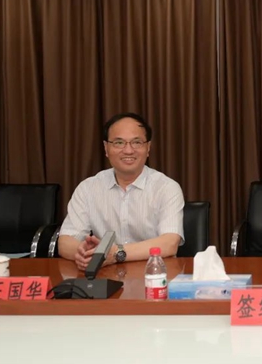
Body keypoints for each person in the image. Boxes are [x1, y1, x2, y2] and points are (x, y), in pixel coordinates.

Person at [58, 112, 185, 271]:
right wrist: (85, 254)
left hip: (153, 275)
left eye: (137, 142)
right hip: (104, 276)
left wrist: (116, 253)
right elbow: (65, 241)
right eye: (119, 143)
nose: (128, 150)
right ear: (106, 148)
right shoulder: (88, 188)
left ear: (148, 148)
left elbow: (169, 243)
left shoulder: (166, 188)